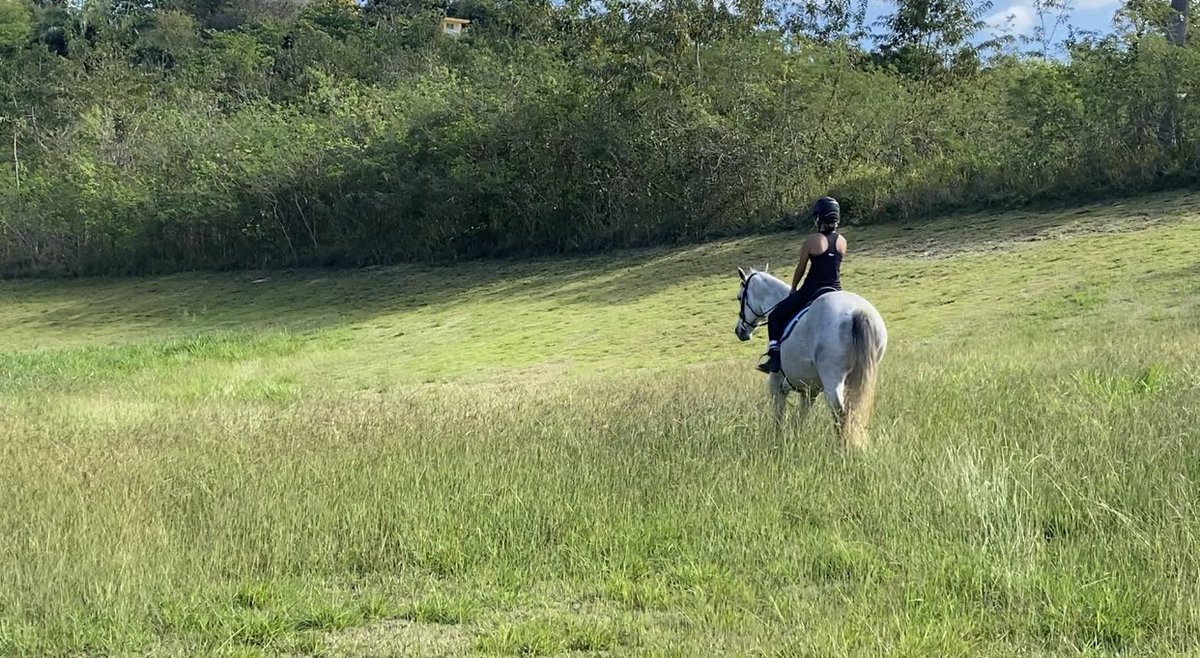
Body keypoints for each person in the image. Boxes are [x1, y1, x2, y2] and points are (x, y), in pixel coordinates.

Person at [757, 196, 846, 374]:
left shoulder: (811, 241)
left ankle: (774, 357)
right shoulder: (842, 242)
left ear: (819, 218)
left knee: (775, 316)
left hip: (812, 290)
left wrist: (793, 288)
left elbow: (801, 269)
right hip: (836, 290)